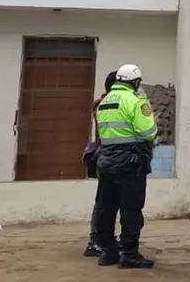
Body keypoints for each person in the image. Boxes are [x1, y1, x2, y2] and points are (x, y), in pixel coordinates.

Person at [94, 64, 158, 269]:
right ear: (136, 82)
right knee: (131, 209)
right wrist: (153, 122)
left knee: (107, 208)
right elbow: (148, 132)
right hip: (131, 163)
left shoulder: (104, 102)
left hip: (106, 162)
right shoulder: (136, 101)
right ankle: (129, 254)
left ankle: (108, 252)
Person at [83, 71, 119, 258]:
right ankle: (95, 240)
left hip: (110, 158)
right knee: (103, 202)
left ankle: (106, 238)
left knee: (110, 201)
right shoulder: (104, 104)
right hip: (106, 157)